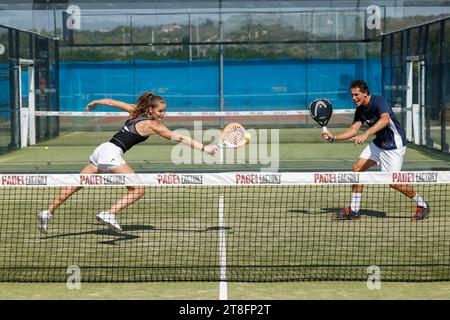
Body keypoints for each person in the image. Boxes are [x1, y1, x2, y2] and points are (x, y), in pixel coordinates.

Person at [37, 92, 218, 233]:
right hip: (112, 154)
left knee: (77, 183)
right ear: (151, 110)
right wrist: (205, 148)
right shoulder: (153, 125)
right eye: (160, 111)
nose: (163, 114)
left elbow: (111, 102)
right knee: (138, 190)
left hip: (102, 149)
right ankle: (108, 213)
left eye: (164, 110)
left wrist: (96, 102)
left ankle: (47, 212)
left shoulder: (134, 111)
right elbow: (180, 138)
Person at [322, 80, 429, 221]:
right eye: (352, 95)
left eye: (356, 95)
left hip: (394, 145)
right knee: (357, 169)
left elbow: (385, 120)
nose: (353, 98)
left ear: (365, 93)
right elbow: (353, 130)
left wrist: (366, 134)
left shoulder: (379, 101)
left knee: (394, 182)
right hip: (379, 143)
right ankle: (354, 210)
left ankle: (422, 205)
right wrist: (334, 138)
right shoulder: (360, 110)